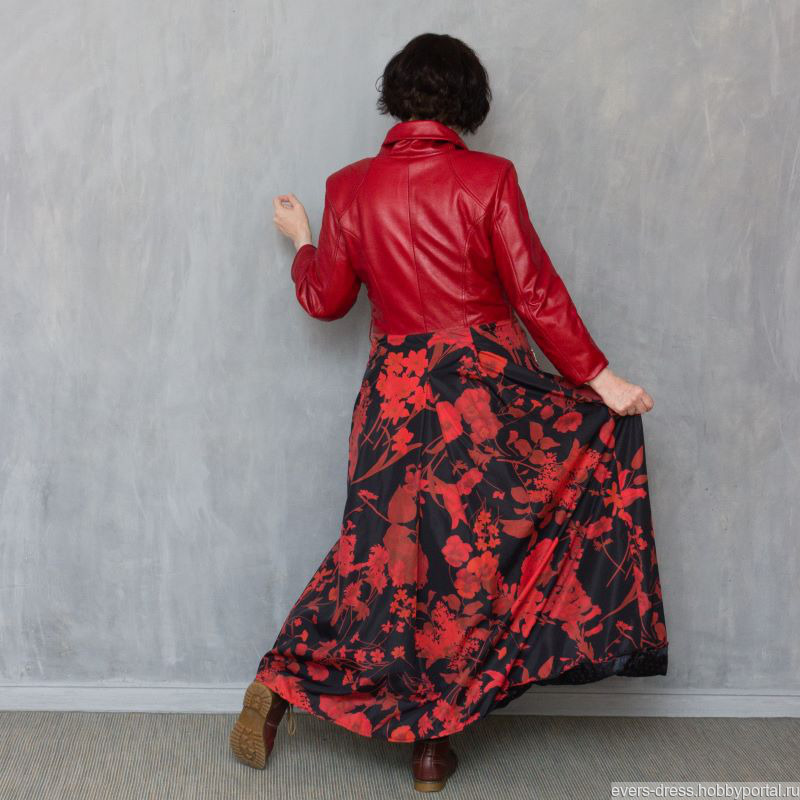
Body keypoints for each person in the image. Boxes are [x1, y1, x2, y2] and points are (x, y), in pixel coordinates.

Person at [230, 32, 668, 793]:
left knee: (383, 557)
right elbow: (535, 293)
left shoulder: (348, 186)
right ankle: (430, 749)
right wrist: (601, 380)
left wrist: (302, 243)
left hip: (395, 395)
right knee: (468, 565)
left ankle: (284, 679)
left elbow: (326, 301)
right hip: (482, 395)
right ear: (467, 101)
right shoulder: (489, 178)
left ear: (394, 97)